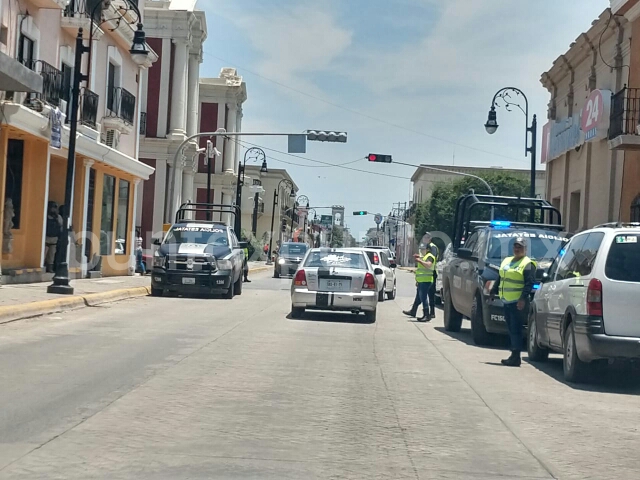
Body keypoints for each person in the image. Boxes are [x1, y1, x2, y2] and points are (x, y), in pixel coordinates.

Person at [490, 237, 536, 367]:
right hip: (507, 300)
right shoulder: (507, 260)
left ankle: (516, 357)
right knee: (511, 329)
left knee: (516, 329)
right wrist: (493, 291)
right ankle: (513, 355)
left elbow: (529, 283)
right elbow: (500, 277)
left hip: (518, 302)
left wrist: (522, 299)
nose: (517, 249)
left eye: (520, 247)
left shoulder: (528, 263)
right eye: (515, 246)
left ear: (525, 249)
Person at [404, 233, 438, 320]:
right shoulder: (427, 251)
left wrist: (419, 260)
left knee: (427, 295)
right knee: (420, 295)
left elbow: (429, 261)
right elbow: (426, 258)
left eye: (425, 238)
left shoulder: (432, 247)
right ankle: (414, 311)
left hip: (428, 276)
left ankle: (429, 314)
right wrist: (420, 257)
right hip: (423, 278)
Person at [44, 201, 63, 273]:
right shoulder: (45, 216)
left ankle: (50, 268)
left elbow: (61, 226)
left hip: (54, 238)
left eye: (55, 207)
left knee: (51, 255)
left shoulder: (58, 217)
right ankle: (43, 266)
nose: (54, 209)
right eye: (52, 207)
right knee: (44, 253)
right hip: (46, 237)